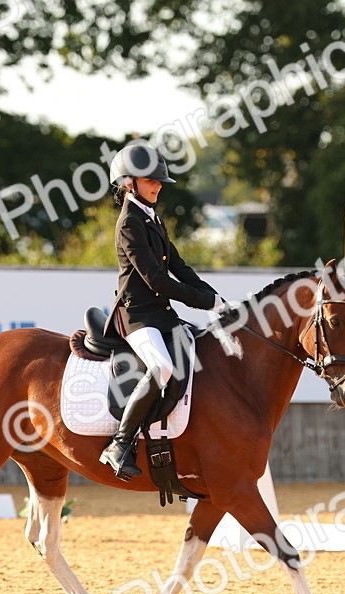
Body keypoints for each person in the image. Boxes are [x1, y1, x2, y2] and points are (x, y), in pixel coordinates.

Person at [100, 143, 227, 480]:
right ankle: (120, 443)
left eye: (159, 181)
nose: (157, 186)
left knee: (200, 347)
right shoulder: (129, 223)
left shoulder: (151, 217)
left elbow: (179, 267)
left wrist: (216, 298)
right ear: (129, 183)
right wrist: (203, 302)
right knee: (162, 367)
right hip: (137, 316)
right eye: (150, 181)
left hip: (161, 314)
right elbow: (156, 279)